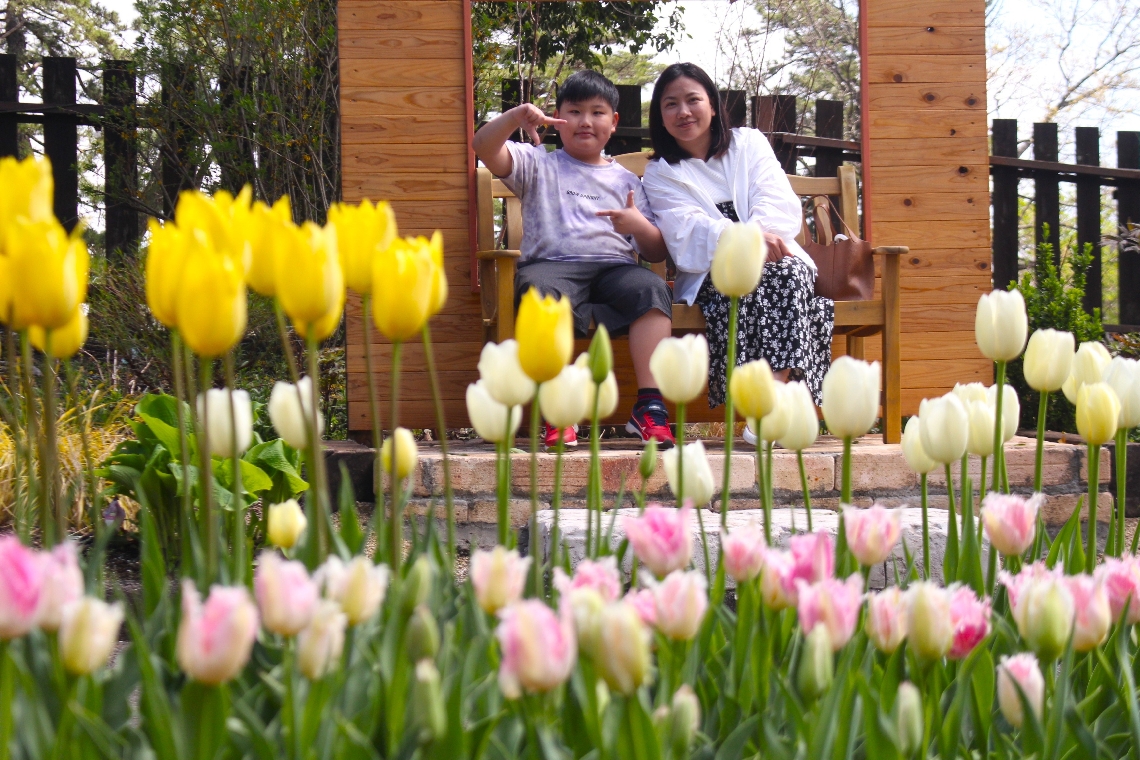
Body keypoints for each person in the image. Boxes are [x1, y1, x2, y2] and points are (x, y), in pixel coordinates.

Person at [472, 70, 676, 448]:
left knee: (650, 289)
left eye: (597, 112)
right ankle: (559, 408)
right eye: (575, 112)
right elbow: (482, 146)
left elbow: (655, 252)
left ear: (613, 123)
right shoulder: (538, 163)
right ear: (557, 119)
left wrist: (638, 225)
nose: (586, 121)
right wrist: (516, 117)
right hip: (553, 266)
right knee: (540, 291)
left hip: (616, 269)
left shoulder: (628, 181)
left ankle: (649, 406)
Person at [641, 62, 834, 443]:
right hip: (713, 269)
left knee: (788, 274)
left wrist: (760, 239)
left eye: (693, 99)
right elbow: (685, 230)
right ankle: (769, 412)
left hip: (775, 253)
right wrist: (748, 241)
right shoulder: (660, 173)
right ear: (659, 117)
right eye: (671, 104)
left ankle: (768, 404)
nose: (684, 112)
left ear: (712, 105)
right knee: (751, 283)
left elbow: (774, 197)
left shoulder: (748, 143)